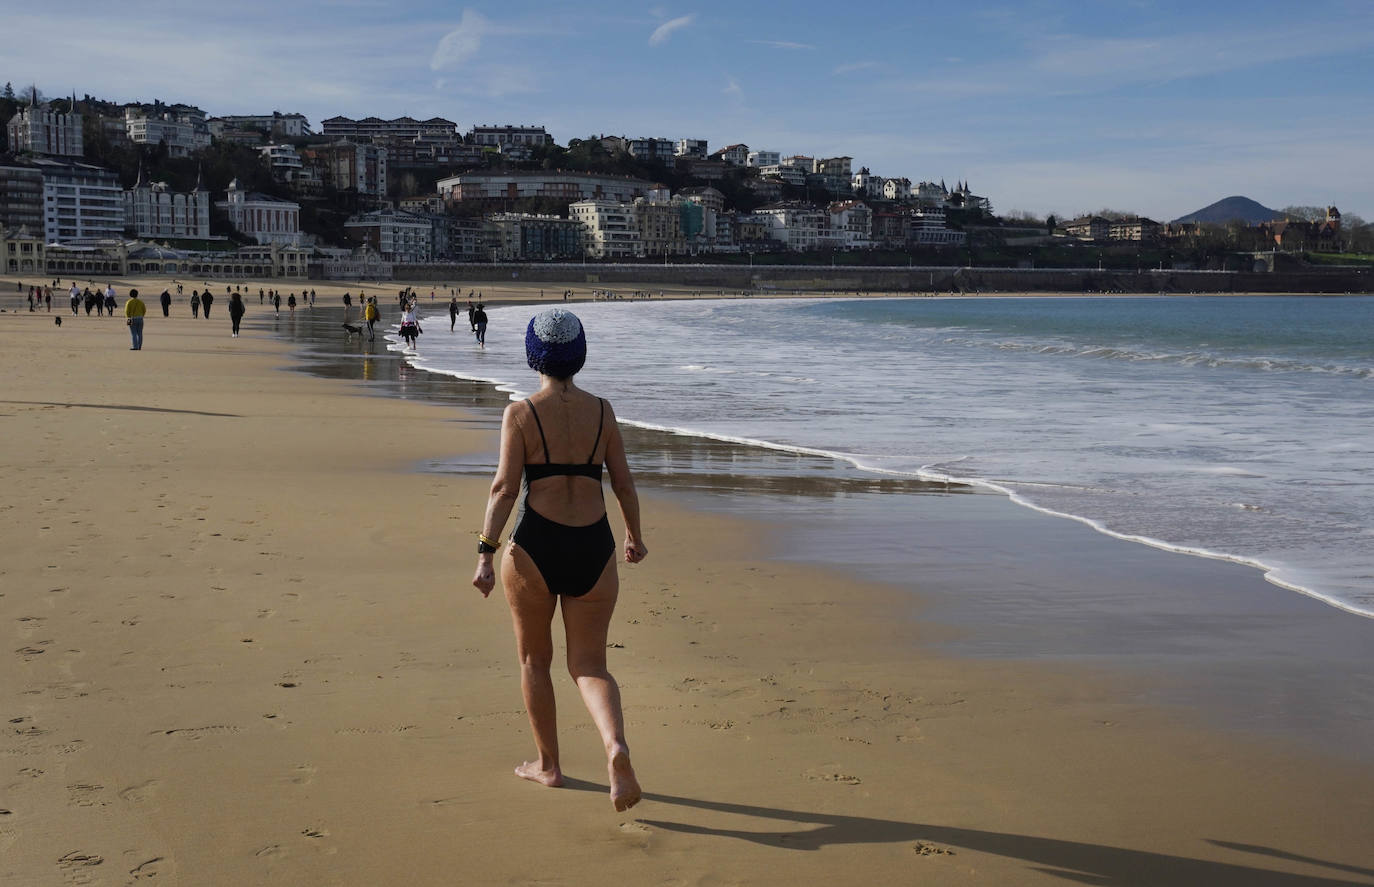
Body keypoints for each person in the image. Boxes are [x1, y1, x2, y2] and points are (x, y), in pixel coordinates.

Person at [472, 308, 647, 812]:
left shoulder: (521, 413)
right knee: (590, 664)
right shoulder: (603, 412)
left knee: (535, 661)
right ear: (579, 354)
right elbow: (623, 483)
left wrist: (485, 552)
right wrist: (634, 536)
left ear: (534, 355)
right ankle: (615, 746)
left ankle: (548, 766)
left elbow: (505, 489)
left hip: (536, 546)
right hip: (594, 544)